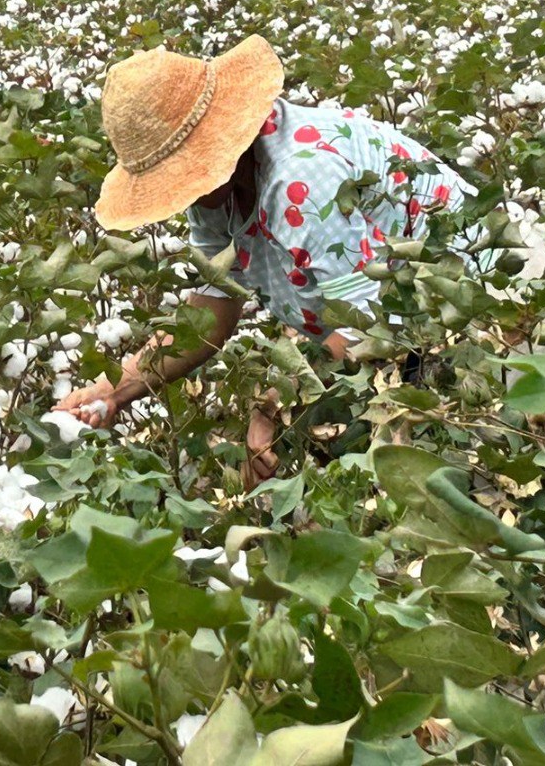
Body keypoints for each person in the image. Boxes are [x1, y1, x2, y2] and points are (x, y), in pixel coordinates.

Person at [53, 34, 490, 482]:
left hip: (461, 303)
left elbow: (369, 336)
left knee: (424, 469)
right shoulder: (215, 194)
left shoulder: (299, 180)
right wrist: (113, 390)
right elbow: (211, 311)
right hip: (378, 325)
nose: (184, 190)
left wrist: (271, 409)